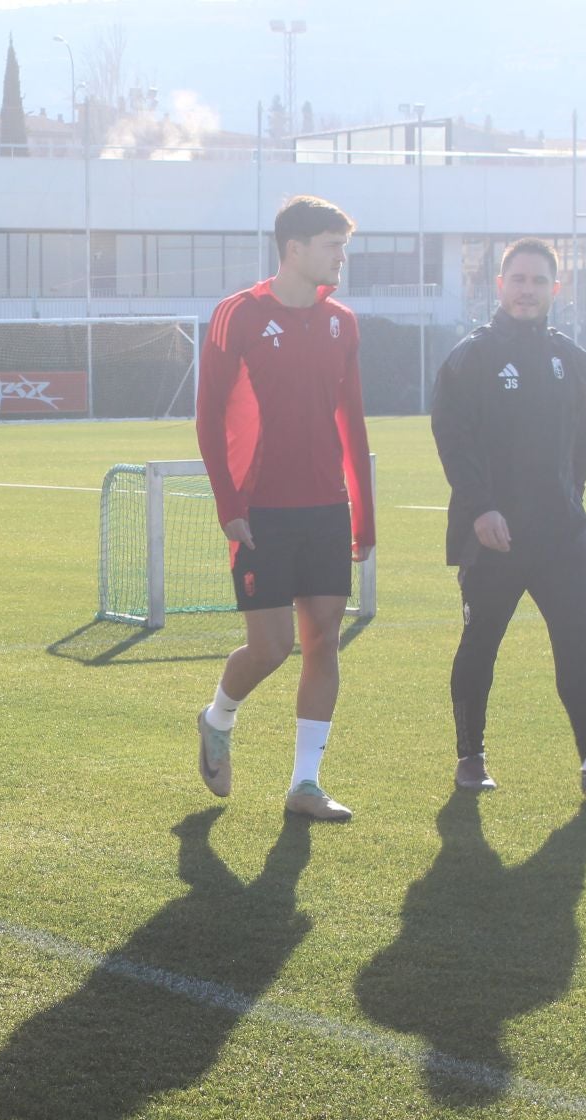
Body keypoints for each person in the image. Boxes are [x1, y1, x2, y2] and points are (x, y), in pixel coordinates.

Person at [430, 237, 586, 797]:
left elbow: (581, 444)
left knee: (578, 640)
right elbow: (451, 441)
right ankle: (471, 758)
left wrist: (569, 505)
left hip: (560, 535)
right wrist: (482, 509)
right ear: (500, 286)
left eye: (538, 281)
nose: (527, 290)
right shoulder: (471, 356)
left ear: (556, 289)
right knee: (481, 642)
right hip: (495, 537)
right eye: (518, 280)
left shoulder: (572, 358)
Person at [194, 195, 375, 822]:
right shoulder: (236, 316)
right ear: (294, 250)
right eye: (333, 245)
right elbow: (209, 417)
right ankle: (217, 718)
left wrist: (365, 515)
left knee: (324, 639)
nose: (342, 257)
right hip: (261, 509)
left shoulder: (343, 323)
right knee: (270, 648)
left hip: (328, 507)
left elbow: (351, 421)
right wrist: (229, 504)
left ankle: (305, 784)